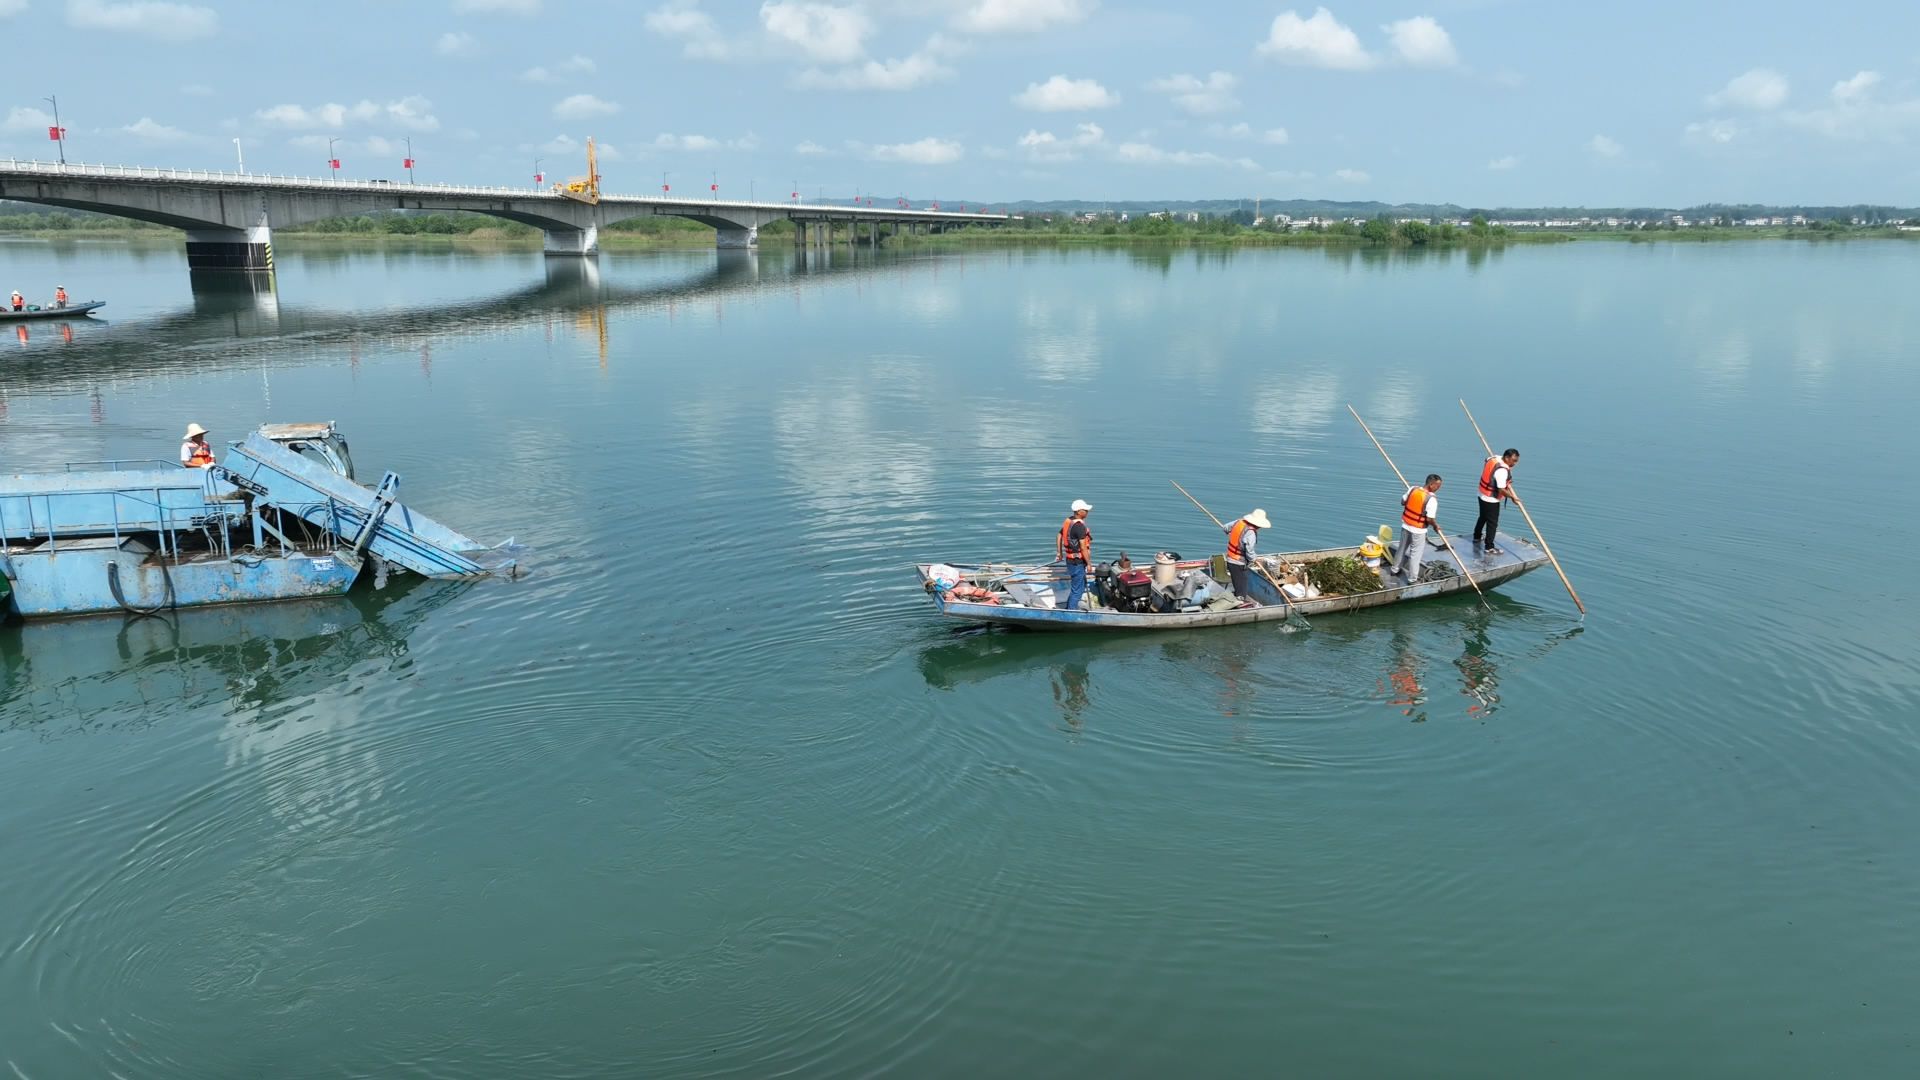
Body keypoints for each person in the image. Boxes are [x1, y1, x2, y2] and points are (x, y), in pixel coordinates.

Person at [1390, 474, 1443, 582]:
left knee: (1401, 548)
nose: (1439, 488)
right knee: (1415, 554)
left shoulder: (1413, 489)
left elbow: (1402, 502)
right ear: (1431, 484)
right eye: (1438, 486)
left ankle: (1394, 569)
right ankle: (1412, 578)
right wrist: (1435, 526)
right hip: (1418, 530)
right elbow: (1429, 519)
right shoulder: (1431, 499)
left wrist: (1411, 499)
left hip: (1406, 525)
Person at [1472, 448, 1519, 556]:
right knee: (1492, 523)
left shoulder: (1494, 458)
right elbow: (1501, 489)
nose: (1515, 463)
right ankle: (1489, 547)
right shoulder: (1502, 471)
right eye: (1513, 460)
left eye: (1516, 461)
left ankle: (1477, 537)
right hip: (1491, 499)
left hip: (1481, 493)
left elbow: (1487, 459)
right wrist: (1512, 497)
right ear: (1506, 458)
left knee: (1483, 516)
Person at [1223, 508, 1271, 600]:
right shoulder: (1251, 533)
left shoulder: (1238, 522)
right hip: (1239, 563)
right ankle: (1240, 604)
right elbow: (1249, 550)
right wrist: (1253, 559)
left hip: (1230, 559)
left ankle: (1237, 598)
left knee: (1237, 585)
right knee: (1241, 591)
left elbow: (1225, 528)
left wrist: (1233, 534)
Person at [1056, 498, 1093, 612]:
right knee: (1078, 589)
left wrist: (1059, 553)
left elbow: (1059, 536)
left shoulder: (1069, 521)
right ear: (1079, 512)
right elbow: (1082, 547)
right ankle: (1071, 611)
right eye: (1085, 510)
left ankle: (1070, 607)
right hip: (1077, 562)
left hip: (1070, 560)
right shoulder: (1079, 527)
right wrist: (1089, 564)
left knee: (1077, 586)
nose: (1087, 512)